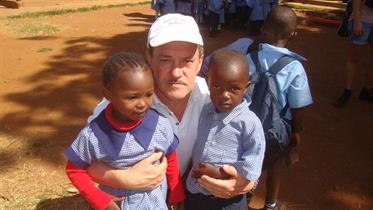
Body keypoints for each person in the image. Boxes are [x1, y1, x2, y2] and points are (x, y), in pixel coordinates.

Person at [86, 13, 255, 203]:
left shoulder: (215, 99)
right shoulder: (119, 106)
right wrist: (123, 178)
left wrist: (247, 183)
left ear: (200, 61)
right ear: (148, 58)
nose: (176, 72)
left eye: (187, 61)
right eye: (165, 60)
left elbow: (252, 145)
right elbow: (86, 162)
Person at [64, 52, 184, 210]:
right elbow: (74, 169)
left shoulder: (160, 125)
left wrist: (176, 193)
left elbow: (171, 157)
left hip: (157, 202)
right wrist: (101, 201)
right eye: (132, 97)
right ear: (108, 95)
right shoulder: (94, 135)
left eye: (148, 94)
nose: (142, 104)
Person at [247, 6, 313, 210]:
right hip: (277, 131)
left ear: (264, 28)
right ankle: (270, 204)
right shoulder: (295, 67)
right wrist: (296, 136)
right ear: (294, 34)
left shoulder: (250, 58)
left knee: (249, 163)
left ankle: (243, 198)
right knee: (276, 164)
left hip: (248, 126)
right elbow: (298, 106)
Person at [185, 49, 266, 210]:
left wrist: (219, 173)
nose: (224, 95)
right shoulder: (205, 111)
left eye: (234, 88)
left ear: (246, 87)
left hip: (228, 202)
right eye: (217, 86)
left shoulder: (249, 123)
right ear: (208, 82)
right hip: (196, 193)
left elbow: (252, 165)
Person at [333, 0, 373, 107]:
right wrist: (357, 22)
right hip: (363, 21)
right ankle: (347, 91)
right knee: (353, 58)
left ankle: (367, 90)